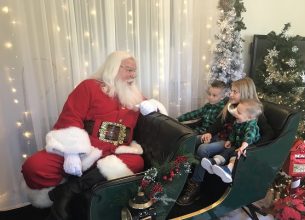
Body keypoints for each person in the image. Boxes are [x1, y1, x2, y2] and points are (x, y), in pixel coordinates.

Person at [21, 51, 161, 220]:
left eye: (134, 71)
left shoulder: (134, 96)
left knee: (136, 161)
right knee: (34, 166)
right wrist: (71, 152)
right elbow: (70, 116)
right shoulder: (89, 87)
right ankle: (71, 189)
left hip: (114, 152)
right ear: (113, 68)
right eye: (129, 70)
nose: (133, 75)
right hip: (85, 148)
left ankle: (69, 190)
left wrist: (153, 105)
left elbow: (154, 111)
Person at [177, 77, 263, 206]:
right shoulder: (231, 106)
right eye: (231, 91)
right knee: (190, 141)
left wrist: (247, 146)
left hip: (230, 142)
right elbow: (219, 122)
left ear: (245, 93)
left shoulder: (252, 111)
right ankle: (179, 174)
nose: (231, 94)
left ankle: (195, 185)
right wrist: (209, 133)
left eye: (235, 92)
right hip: (222, 137)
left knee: (203, 149)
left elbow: (266, 133)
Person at [201, 99, 263, 183]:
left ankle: (229, 170)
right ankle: (214, 162)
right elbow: (233, 132)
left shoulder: (251, 125)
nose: (235, 113)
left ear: (250, 117)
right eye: (236, 110)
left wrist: (243, 146)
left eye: (239, 113)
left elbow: (249, 136)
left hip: (248, 148)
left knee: (235, 154)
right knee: (227, 151)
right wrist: (230, 140)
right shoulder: (238, 121)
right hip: (237, 145)